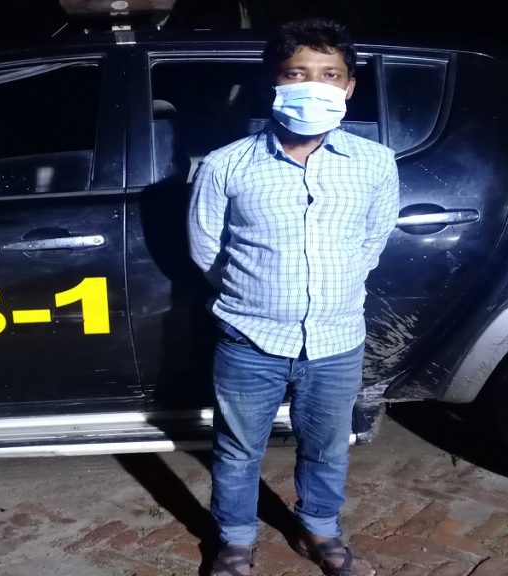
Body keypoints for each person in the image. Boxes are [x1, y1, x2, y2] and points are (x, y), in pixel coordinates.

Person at [188, 18, 400, 576]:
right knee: (238, 449)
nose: (314, 85)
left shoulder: (375, 163)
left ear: (349, 86)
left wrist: (334, 290)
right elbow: (207, 251)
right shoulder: (226, 165)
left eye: (329, 74)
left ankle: (320, 532)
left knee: (328, 446)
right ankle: (235, 541)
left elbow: (373, 240)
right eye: (297, 73)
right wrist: (257, 297)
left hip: (336, 340)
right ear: (275, 82)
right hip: (249, 339)